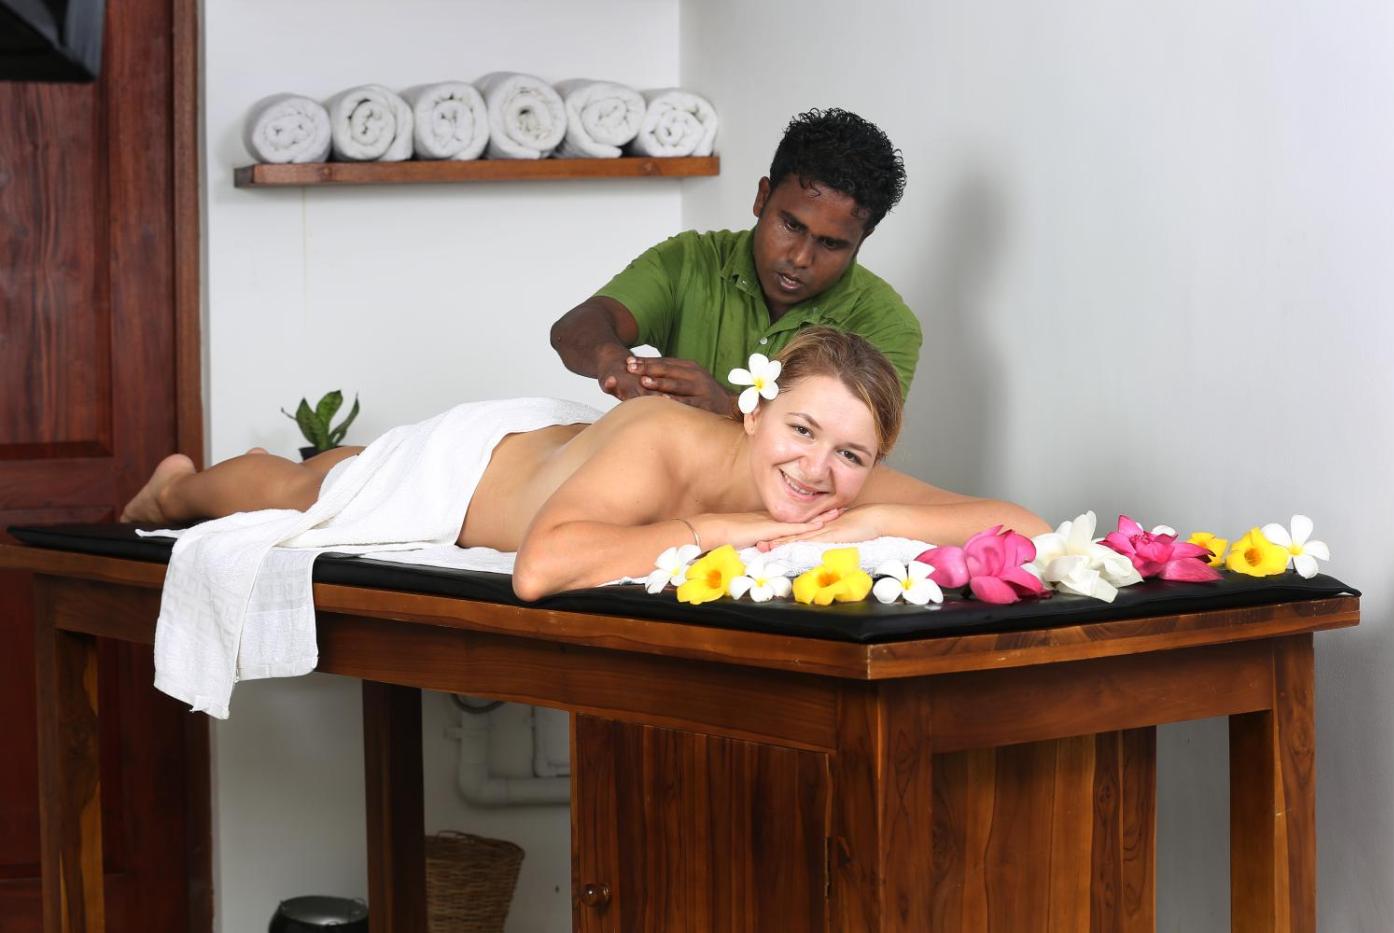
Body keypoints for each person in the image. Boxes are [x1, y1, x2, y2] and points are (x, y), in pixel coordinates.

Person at [122, 330, 1044, 601]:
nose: (817, 470)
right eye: (801, 431)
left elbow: (1027, 526)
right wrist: (722, 530)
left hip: (568, 451)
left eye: (851, 455)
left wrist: (872, 517)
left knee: (327, 470)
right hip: (474, 469)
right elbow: (541, 569)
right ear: (755, 409)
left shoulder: (834, 481)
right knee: (308, 488)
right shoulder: (664, 437)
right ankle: (174, 486)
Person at [550, 108, 923, 416]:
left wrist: (729, 409)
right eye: (791, 225)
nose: (800, 257)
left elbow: (853, 442)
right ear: (762, 198)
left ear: (862, 240)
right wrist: (613, 361)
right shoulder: (690, 260)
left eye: (831, 243)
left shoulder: (886, 325)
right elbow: (575, 327)